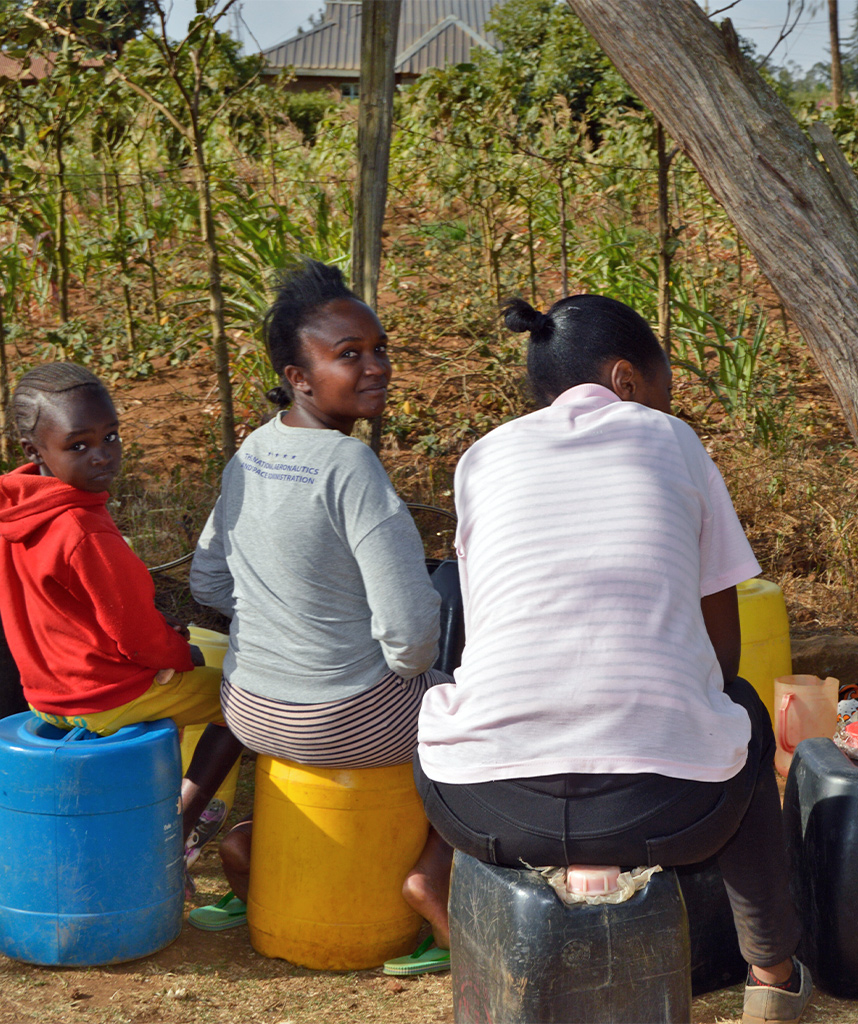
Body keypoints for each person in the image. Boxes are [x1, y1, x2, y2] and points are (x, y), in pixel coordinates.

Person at [414, 295, 811, 1024]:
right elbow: (722, 651)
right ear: (627, 380)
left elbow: (487, 630)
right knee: (744, 709)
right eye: (664, 388)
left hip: (487, 808)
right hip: (664, 811)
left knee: (445, 691)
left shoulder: (481, 459)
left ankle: (483, 949)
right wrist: (681, 716)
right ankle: (773, 973)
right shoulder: (671, 440)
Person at [188, 260, 455, 977]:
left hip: (249, 709)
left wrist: (288, 618)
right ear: (299, 376)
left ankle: (251, 851)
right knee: (485, 716)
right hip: (344, 718)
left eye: (378, 348)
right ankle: (437, 874)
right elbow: (409, 636)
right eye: (349, 356)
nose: (376, 367)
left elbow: (209, 576)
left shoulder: (252, 451)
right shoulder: (351, 469)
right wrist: (405, 667)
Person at [0, 363, 243, 860]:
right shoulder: (83, 529)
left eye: (110, 436)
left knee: (214, 644)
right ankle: (185, 826)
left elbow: (72, 611)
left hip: (47, 687)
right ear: (35, 450)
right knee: (244, 699)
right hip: (107, 694)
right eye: (79, 445)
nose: (102, 455)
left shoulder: (20, 509)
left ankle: (170, 779)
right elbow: (136, 637)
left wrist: (169, 638)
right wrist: (180, 654)